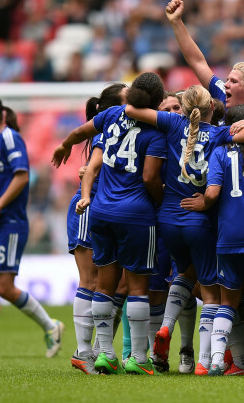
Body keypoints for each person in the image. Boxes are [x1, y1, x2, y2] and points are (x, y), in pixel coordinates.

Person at [124, 85, 244, 375]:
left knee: (184, 272)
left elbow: (130, 110)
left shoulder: (173, 123)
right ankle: (203, 361)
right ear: (211, 107)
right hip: (199, 219)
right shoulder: (216, 133)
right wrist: (243, 125)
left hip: (168, 218)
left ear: (184, 108)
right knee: (211, 293)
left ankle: (166, 327)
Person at [179, 104, 244, 376]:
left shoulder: (220, 152)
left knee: (228, 302)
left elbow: (212, 193)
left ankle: (215, 362)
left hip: (230, 234)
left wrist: (203, 203)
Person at [0, 96, 64, 359]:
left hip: (9, 222)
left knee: (4, 287)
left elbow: (22, 176)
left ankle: (52, 327)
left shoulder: (9, 139)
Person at [76, 72, 167, 375]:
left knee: (104, 284)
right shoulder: (156, 133)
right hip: (136, 214)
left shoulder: (112, 116)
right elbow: (150, 178)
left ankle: (105, 354)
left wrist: (65, 144)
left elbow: (86, 141)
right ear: (156, 102)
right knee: (138, 285)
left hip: (101, 211)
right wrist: (160, 199)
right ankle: (139, 359)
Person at [67, 84, 127, 375]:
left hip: (108, 211)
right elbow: (92, 170)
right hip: (88, 209)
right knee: (90, 281)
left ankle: (97, 350)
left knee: (116, 285)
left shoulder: (118, 130)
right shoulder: (110, 131)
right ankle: (82, 351)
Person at [165, 0, 244, 111]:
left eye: (233, 81)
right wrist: (176, 22)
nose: (225, 84)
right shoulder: (222, 94)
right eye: (228, 79)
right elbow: (197, 61)